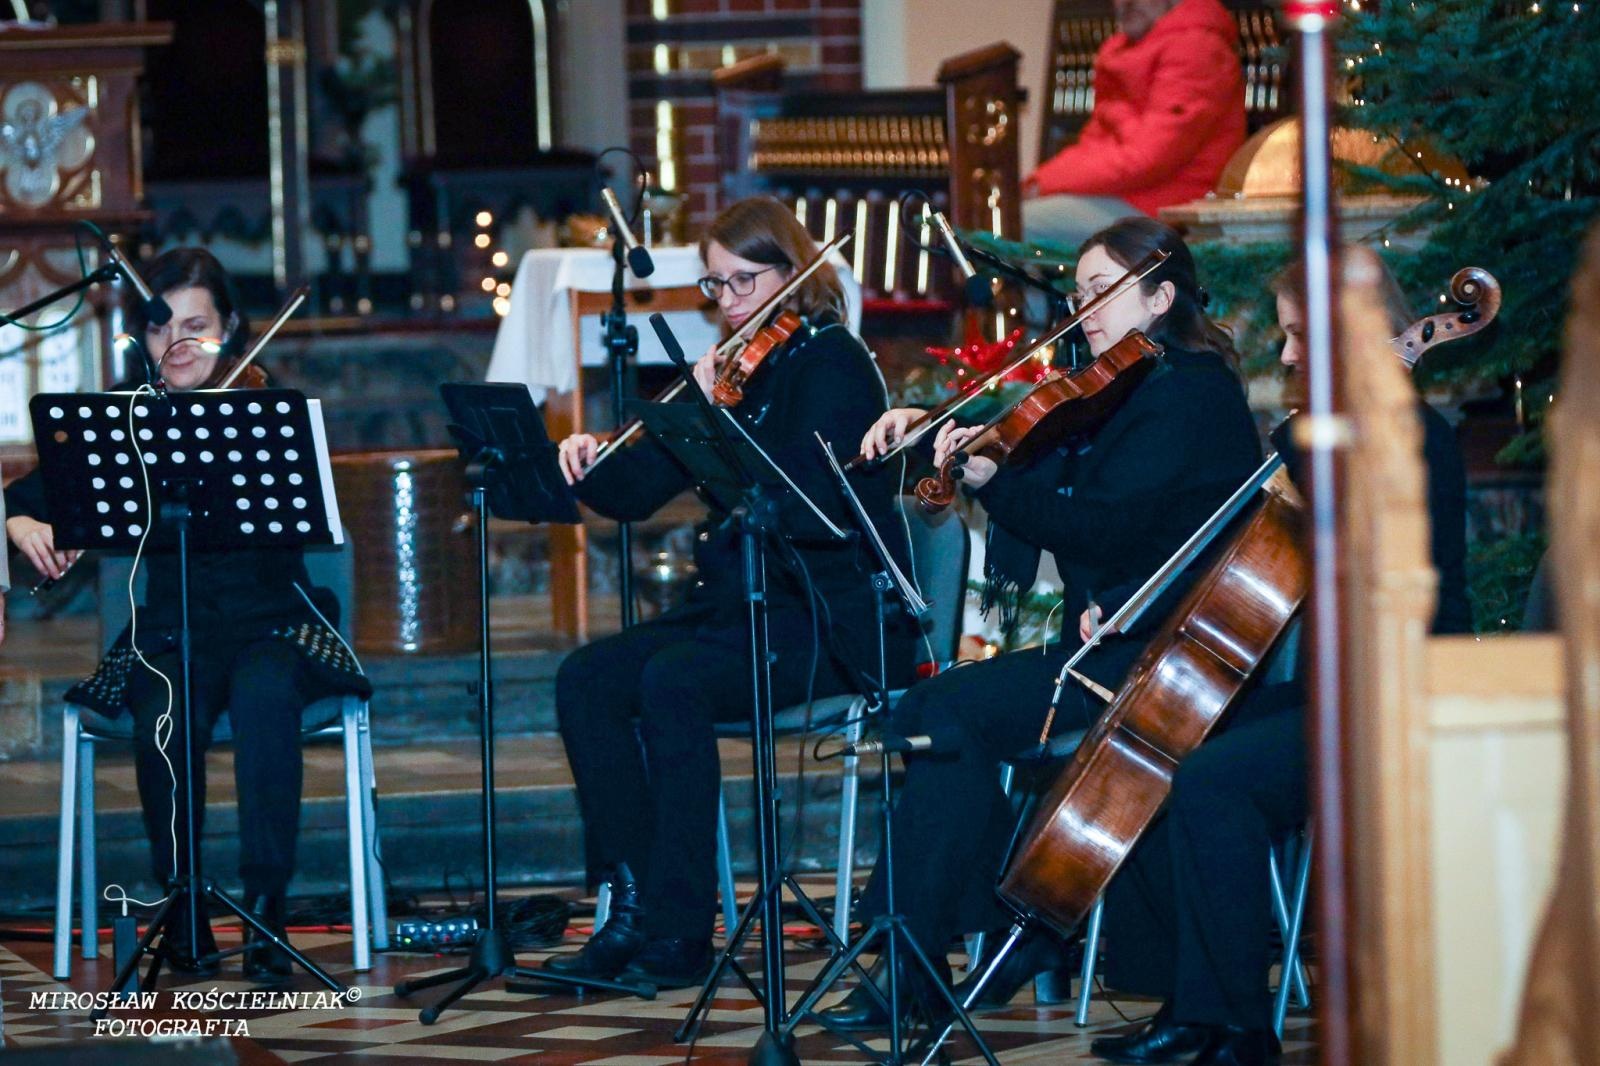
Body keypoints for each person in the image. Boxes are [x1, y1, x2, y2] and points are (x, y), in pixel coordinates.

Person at [819, 216, 1263, 1030]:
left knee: (945, 711)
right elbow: (1030, 447)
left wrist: (995, 484)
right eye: (1078, 291)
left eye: (1102, 291)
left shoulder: (1191, 396)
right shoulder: (1121, 389)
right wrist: (934, 430)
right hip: (1107, 644)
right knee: (937, 711)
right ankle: (972, 936)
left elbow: (1103, 529)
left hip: (1166, 662)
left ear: (1161, 298)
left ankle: (950, 946)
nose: (1082, 308)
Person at [1085, 249, 1470, 1066]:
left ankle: (1238, 1030)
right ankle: (1196, 1008)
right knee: (1176, 744)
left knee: (1217, 781)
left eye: (1301, 337)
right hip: (1342, 690)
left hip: (1403, 694)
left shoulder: (1414, 439)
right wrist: (1128, 609)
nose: (1289, 356)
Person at [545, 196, 916, 990]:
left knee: (672, 680)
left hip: (824, 618)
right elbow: (636, 492)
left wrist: (718, 419)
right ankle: (634, 902)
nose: (730, 300)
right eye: (716, 284)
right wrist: (587, 464)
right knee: (586, 678)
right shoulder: (735, 369)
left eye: (745, 280)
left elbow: (805, 503)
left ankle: (681, 933)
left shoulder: (834, 363)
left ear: (793, 271)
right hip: (738, 610)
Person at [3, 248, 369, 982]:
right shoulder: (125, 416)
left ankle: (266, 905)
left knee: (266, 695)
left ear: (229, 328)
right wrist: (21, 523)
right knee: (165, 707)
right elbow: (24, 497)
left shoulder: (266, 407)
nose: (177, 343)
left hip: (274, 621)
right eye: (161, 326)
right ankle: (184, 904)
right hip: (172, 628)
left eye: (196, 326)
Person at [1025, 0, 1247, 248]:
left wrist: (1045, 184)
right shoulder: (1123, 51)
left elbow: (1149, 158)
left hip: (1171, 205)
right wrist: (1037, 182)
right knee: (1006, 217)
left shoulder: (1196, 49)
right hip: (1128, 194)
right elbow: (1094, 145)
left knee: (1010, 225)